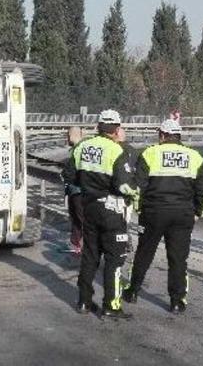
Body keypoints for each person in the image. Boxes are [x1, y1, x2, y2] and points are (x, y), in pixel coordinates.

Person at [122, 119, 203, 314]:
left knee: (144, 254)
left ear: (161, 135)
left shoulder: (150, 153)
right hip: (182, 215)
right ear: (179, 136)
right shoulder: (195, 157)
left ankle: (133, 291)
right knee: (178, 259)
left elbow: (138, 188)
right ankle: (177, 301)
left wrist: (139, 210)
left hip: (154, 213)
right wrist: (197, 213)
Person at [65, 110, 139, 319]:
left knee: (90, 256)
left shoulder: (83, 147)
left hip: (88, 208)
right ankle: (111, 306)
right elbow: (125, 186)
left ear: (98, 127)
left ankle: (83, 302)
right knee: (115, 259)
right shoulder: (116, 151)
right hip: (112, 211)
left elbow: (68, 175)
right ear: (116, 129)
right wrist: (136, 195)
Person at [61, 126, 85, 254]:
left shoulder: (80, 148)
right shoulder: (77, 148)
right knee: (76, 219)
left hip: (79, 190)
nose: (67, 139)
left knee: (81, 219)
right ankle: (76, 244)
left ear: (71, 135)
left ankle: (83, 246)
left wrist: (66, 175)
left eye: (67, 136)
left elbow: (75, 170)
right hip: (75, 190)